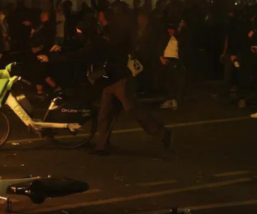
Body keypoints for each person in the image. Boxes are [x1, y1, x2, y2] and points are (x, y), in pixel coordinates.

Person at [40, 14, 171, 156]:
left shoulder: (97, 44)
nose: (78, 35)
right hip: (108, 81)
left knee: (133, 109)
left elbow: (80, 55)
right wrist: (61, 49)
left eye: (80, 32)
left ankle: (163, 134)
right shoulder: (93, 41)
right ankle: (102, 146)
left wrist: (53, 58)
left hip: (119, 80)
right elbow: (75, 47)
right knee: (105, 114)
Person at [158, 22, 186, 110]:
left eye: (172, 29)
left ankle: (173, 100)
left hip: (174, 60)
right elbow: (159, 48)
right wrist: (161, 58)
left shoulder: (178, 38)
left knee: (173, 81)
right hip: (166, 60)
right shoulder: (165, 37)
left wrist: (181, 27)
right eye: (169, 29)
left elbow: (181, 47)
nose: (170, 31)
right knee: (166, 81)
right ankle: (170, 99)